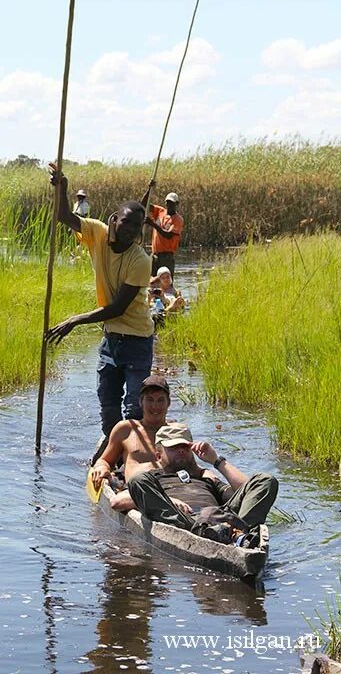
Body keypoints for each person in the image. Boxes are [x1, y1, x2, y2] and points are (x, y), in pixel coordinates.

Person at [46, 163, 153, 436]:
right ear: (114, 219)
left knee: (134, 408)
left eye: (136, 226)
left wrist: (75, 320)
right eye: (126, 222)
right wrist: (63, 189)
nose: (129, 230)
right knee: (108, 407)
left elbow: (118, 307)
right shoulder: (98, 232)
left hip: (137, 339)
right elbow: (63, 216)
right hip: (111, 341)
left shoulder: (140, 260)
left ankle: (133, 459)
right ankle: (112, 453)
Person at [127, 424, 278, 546]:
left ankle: (238, 532)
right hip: (185, 522)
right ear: (159, 455)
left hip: (219, 517)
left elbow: (247, 492)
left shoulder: (206, 478)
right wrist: (168, 500)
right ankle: (212, 534)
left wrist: (217, 461)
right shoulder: (153, 477)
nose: (180, 450)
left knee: (265, 480)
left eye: (185, 447)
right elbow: (118, 500)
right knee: (137, 480)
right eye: (173, 448)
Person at [91, 374, 217, 512]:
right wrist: (102, 467)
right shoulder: (126, 429)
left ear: (168, 403)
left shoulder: (177, 431)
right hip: (140, 493)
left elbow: (190, 465)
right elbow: (105, 460)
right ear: (140, 402)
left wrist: (205, 472)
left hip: (175, 488)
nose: (155, 406)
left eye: (160, 400)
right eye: (150, 400)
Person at [141, 184, 184, 279]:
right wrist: (149, 189)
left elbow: (168, 235)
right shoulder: (160, 212)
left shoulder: (178, 219)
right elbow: (144, 203)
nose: (170, 205)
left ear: (177, 204)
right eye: (168, 202)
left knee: (166, 284)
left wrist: (152, 224)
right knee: (152, 283)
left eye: (172, 203)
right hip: (155, 255)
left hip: (166, 257)